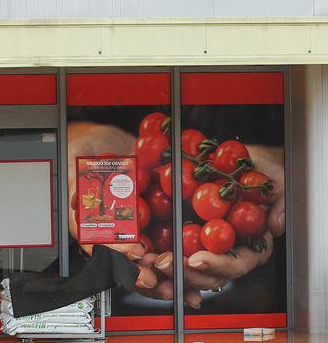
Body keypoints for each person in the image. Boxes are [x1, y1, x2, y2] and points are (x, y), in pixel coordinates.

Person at [65, 119, 285, 310]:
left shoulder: (209, 189)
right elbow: (48, 112)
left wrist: (281, 160)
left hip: (251, 295)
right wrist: (83, 134)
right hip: (92, 290)